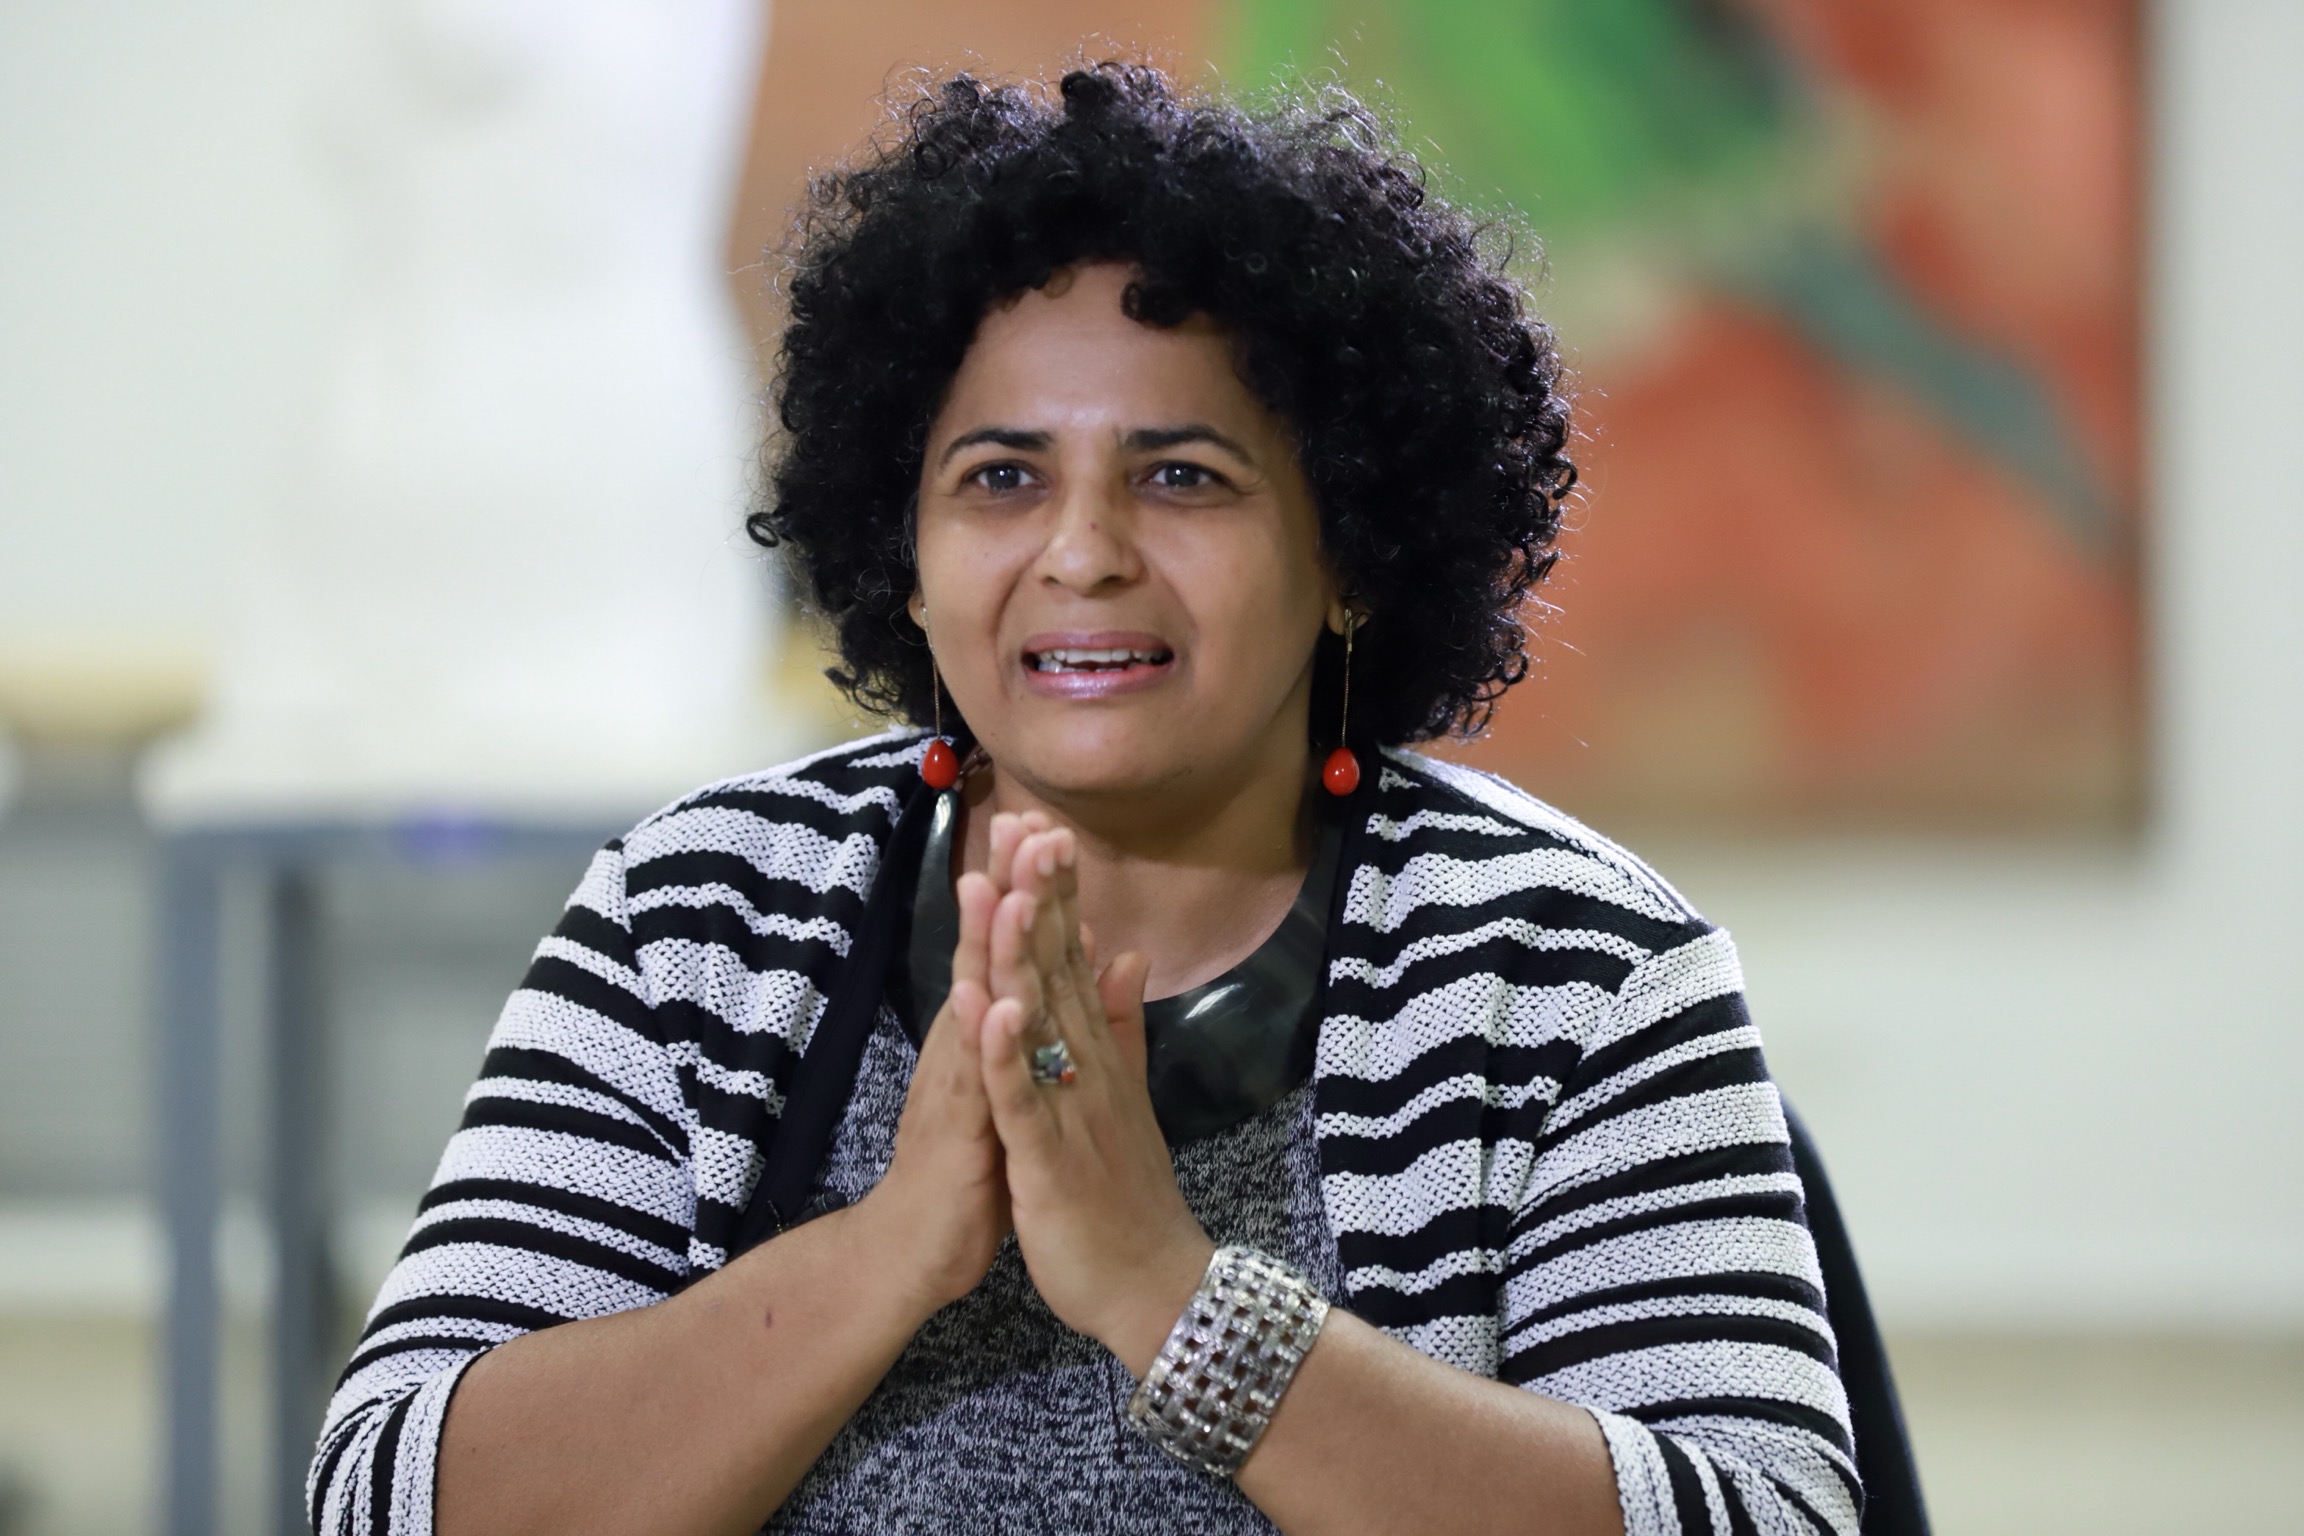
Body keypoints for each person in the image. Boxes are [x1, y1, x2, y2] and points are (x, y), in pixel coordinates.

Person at [312, 64, 1858, 1536]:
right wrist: (888, 1251)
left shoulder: (1577, 975)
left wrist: (1170, 1294)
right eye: (1001, 477)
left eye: (1182, 476)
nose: (1084, 552)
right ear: (907, 562)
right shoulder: (700, 918)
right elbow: (385, 1497)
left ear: (1352, 554)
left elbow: (1770, 1514)